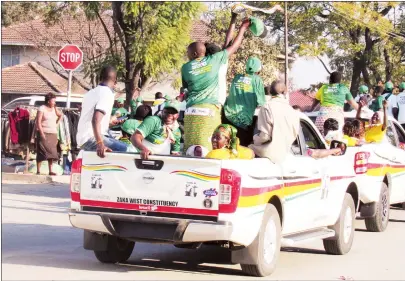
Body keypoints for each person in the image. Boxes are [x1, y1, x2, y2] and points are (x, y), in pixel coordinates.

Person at [181, 19, 251, 152]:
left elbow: (185, 88)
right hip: (211, 109)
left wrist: (233, 20)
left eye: (188, 53)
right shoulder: (216, 62)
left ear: (195, 54)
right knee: (211, 149)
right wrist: (242, 27)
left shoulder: (185, 67)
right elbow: (231, 45)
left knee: (189, 148)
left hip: (191, 111)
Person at [77, 65, 128, 158]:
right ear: (115, 81)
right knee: (128, 150)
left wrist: (109, 123)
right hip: (92, 138)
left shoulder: (90, 93)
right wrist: (100, 143)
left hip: (83, 138)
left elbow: (90, 118)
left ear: (100, 78)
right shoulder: (107, 93)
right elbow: (95, 120)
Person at [249, 81, 300, 164]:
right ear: (285, 92)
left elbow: (265, 136)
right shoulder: (293, 111)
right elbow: (295, 134)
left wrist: (254, 139)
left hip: (267, 155)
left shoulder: (267, 107)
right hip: (286, 154)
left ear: (270, 92)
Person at [222, 57, 266, 146]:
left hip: (227, 116)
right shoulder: (257, 80)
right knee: (239, 148)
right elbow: (261, 102)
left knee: (225, 145)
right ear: (258, 68)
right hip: (242, 120)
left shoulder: (237, 77)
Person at [205, 11, 239, 106]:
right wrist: (234, 18)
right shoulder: (221, 63)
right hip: (217, 104)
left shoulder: (200, 64)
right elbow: (228, 42)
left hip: (202, 104)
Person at [36, 93, 62, 175]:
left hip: (53, 133)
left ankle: (50, 170)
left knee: (52, 152)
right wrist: (42, 133)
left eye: (55, 101)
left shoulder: (55, 108)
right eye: (53, 101)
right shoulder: (42, 108)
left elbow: (61, 115)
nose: (54, 102)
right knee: (41, 152)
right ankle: (38, 170)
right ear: (48, 101)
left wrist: (57, 124)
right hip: (44, 132)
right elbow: (38, 122)